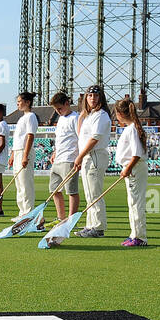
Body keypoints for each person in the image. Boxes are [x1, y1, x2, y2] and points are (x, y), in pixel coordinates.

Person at [72, 85, 112, 237]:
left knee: (95, 193)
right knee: (89, 193)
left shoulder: (101, 115)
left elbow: (94, 138)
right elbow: (81, 134)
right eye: (89, 96)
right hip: (88, 155)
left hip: (94, 154)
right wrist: (82, 116)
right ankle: (91, 224)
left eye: (95, 96)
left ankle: (98, 227)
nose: (92, 98)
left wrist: (80, 156)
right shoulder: (90, 115)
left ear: (100, 98)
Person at [113, 97, 149, 247]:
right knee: (132, 202)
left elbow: (137, 153)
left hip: (134, 168)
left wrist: (128, 168)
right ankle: (134, 234)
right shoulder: (131, 128)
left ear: (120, 114)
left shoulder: (132, 129)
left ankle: (140, 237)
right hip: (132, 168)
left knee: (136, 203)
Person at [48, 91, 81, 224]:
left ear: (67, 103)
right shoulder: (60, 119)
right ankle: (61, 218)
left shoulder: (76, 118)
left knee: (71, 191)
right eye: (56, 110)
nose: (58, 112)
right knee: (54, 190)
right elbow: (60, 138)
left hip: (69, 159)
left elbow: (81, 138)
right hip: (58, 159)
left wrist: (79, 157)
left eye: (60, 108)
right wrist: (55, 152)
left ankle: (71, 220)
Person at [10, 91, 39, 220]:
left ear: (27, 102)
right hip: (17, 151)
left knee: (25, 183)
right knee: (19, 184)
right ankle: (22, 211)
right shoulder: (22, 117)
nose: (18, 103)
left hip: (23, 151)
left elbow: (30, 136)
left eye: (20, 101)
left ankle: (28, 212)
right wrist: (12, 154)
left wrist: (25, 155)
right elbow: (18, 138)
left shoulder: (31, 116)